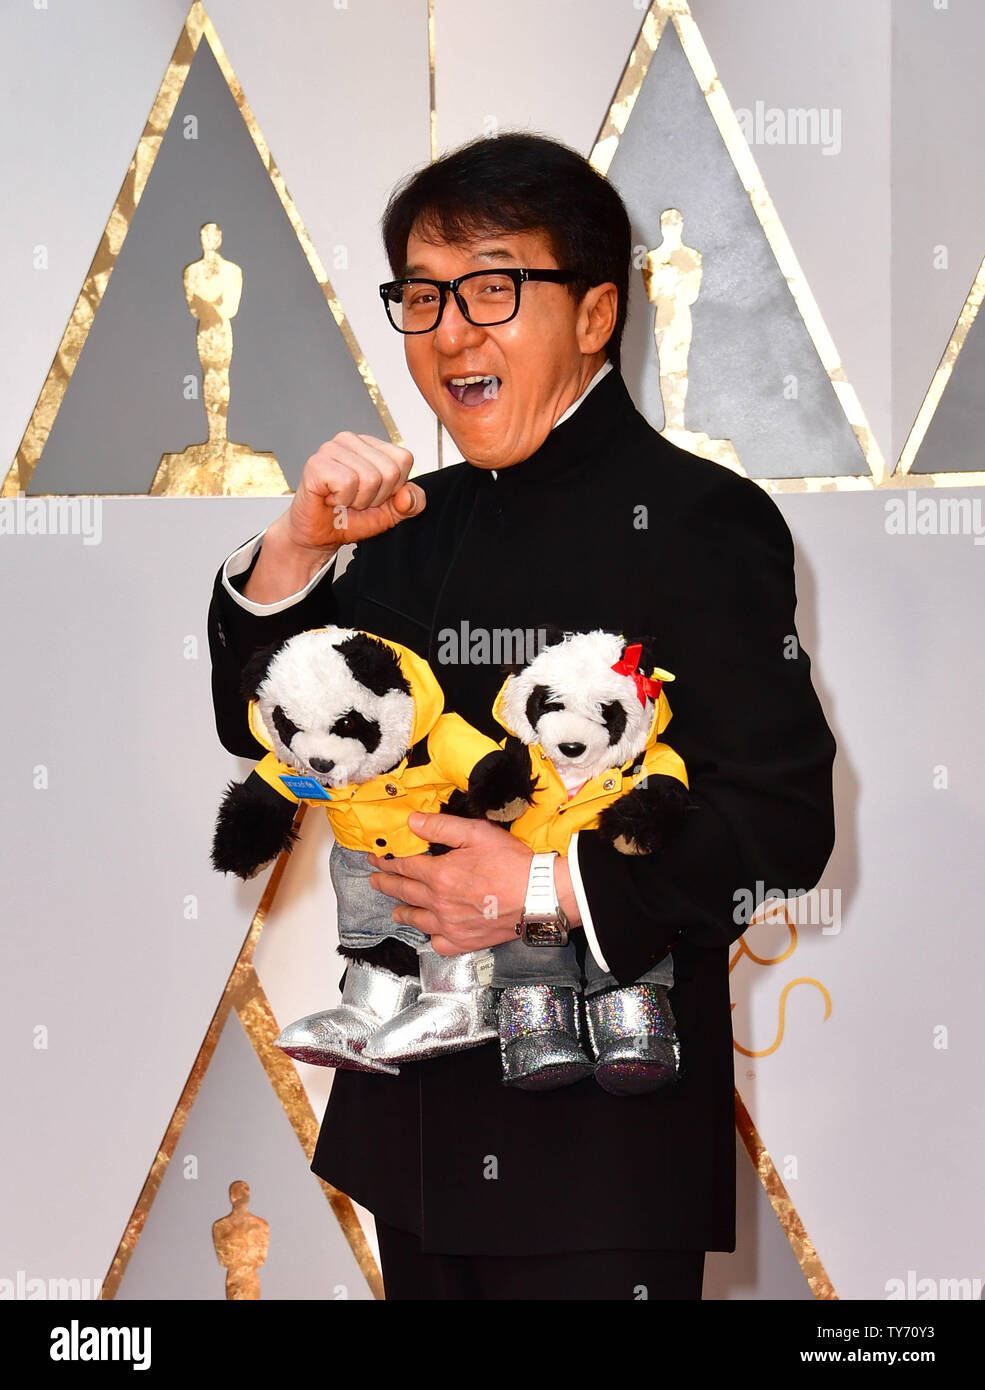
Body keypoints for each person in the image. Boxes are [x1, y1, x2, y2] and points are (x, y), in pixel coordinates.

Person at [207, 132, 836, 1301]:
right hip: (415, 1139)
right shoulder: (406, 523)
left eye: (494, 287)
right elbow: (264, 725)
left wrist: (539, 889)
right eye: (423, 295)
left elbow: (784, 827)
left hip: (603, 1146)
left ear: (596, 314)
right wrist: (295, 548)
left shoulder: (706, 522)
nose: (451, 331)